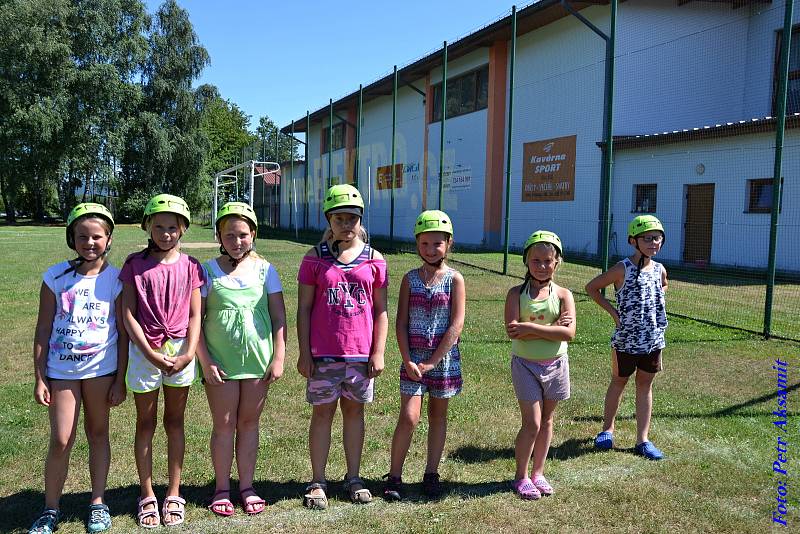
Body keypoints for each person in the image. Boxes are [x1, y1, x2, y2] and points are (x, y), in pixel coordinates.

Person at [29, 203, 127, 534]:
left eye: (96, 236)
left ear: (108, 238)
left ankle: (97, 503)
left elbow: (124, 334)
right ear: (71, 238)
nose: (89, 242)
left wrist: (120, 379)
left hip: (101, 371)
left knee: (98, 434)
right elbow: (43, 330)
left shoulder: (116, 279)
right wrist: (40, 376)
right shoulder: (54, 276)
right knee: (61, 438)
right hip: (61, 372)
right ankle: (50, 508)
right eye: (82, 236)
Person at [296, 183, 388, 510]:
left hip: (360, 356)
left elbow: (380, 310)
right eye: (339, 219)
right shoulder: (314, 258)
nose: (346, 224)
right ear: (328, 219)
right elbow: (304, 308)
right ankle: (318, 480)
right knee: (322, 415)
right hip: (324, 355)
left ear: (361, 220)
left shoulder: (375, 260)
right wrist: (304, 353)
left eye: (352, 218)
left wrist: (378, 351)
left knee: (354, 414)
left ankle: (354, 477)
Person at [197, 202, 287, 517]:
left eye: (243, 235)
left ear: (253, 235)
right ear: (220, 236)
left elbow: (279, 318)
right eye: (230, 235)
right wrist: (205, 361)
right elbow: (196, 320)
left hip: (257, 362)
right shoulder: (206, 271)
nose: (237, 241)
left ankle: (247, 487)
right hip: (220, 363)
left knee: (249, 423)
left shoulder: (266, 270)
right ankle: (222, 488)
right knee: (224, 425)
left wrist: (279, 357)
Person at [120, 194, 204, 527]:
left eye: (172, 227)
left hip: (181, 352)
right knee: (146, 423)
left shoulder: (191, 266)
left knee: (175, 422)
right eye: (159, 227)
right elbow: (127, 313)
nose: (166, 233)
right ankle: (147, 493)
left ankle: (173, 492)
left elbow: (197, 314)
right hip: (145, 354)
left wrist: (187, 353)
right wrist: (150, 353)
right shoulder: (134, 264)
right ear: (148, 227)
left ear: (182, 229)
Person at [383, 210, 465, 502]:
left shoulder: (455, 279)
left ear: (449, 244)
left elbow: (456, 324)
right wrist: (407, 359)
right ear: (417, 244)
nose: (431, 249)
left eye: (437, 244)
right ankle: (394, 476)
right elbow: (401, 322)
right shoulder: (410, 279)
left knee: (438, 416)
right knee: (409, 416)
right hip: (413, 360)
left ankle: (431, 474)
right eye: (425, 243)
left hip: (442, 363)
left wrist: (433, 362)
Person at [586, 215, 668, 461]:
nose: (653, 242)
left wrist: (656, 303)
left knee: (645, 386)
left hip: (653, 341)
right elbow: (592, 287)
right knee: (618, 382)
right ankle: (607, 430)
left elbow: (664, 284)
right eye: (647, 238)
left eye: (657, 238)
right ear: (633, 241)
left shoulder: (660, 269)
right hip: (625, 341)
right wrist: (614, 313)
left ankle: (642, 440)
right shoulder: (622, 268)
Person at [504, 231, 576, 500]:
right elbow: (513, 331)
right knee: (532, 422)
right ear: (526, 261)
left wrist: (529, 327)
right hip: (525, 365)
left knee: (547, 420)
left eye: (548, 260)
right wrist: (551, 328)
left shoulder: (564, 294)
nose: (542, 266)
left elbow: (568, 334)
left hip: (557, 364)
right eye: (536, 260)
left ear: (557, 262)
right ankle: (521, 476)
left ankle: (538, 472)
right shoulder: (516, 294)